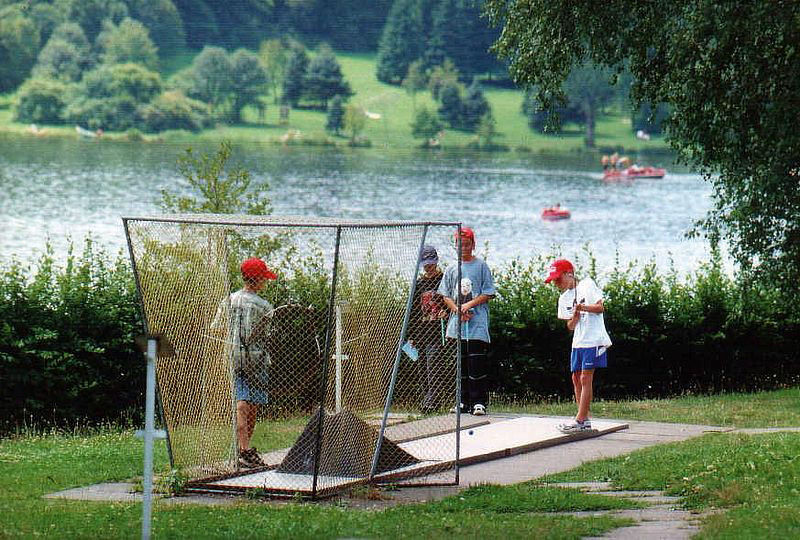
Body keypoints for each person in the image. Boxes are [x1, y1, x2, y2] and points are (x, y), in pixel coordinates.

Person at [211, 257, 277, 468]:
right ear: (257, 280)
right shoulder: (264, 306)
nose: (265, 283)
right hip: (256, 361)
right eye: (263, 279)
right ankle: (246, 451)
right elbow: (267, 336)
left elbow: (216, 328)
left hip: (234, 358)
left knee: (243, 403)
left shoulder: (228, 300)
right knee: (249, 405)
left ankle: (244, 450)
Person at [545, 259, 611, 433]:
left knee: (585, 378)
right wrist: (575, 316)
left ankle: (580, 420)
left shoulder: (587, 285)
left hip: (593, 338)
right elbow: (570, 326)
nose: (556, 283)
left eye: (558, 279)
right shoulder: (564, 298)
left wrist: (583, 308)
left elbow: (600, 307)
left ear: (569, 274)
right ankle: (584, 418)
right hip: (578, 342)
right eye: (554, 280)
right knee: (576, 378)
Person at [438, 227, 496, 416]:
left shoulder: (481, 266)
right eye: (460, 245)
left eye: (467, 244)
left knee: (476, 364)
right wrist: (457, 309)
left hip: (476, 323)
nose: (463, 248)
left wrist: (469, 305)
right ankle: (462, 400)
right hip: (458, 324)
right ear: (455, 246)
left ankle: (479, 402)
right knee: (460, 364)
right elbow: (445, 294)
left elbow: (488, 292)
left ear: (473, 245)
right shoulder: (452, 268)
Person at [409, 245, 448, 413]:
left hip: (436, 331)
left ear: (436, 261)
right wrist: (411, 335)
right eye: (425, 264)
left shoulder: (443, 280)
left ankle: (431, 402)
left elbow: (450, 300)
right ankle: (427, 400)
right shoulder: (419, 284)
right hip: (420, 332)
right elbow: (413, 311)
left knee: (434, 367)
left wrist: (445, 312)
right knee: (422, 369)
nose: (428, 267)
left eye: (431, 263)